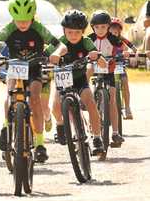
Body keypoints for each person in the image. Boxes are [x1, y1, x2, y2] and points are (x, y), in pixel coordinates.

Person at [0, 0, 67, 163]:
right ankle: (6, 126)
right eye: (19, 20)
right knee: (10, 92)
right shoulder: (9, 28)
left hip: (34, 66)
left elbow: (60, 44)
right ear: (13, 17)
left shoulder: (38, 28)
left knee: (36, 98)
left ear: (32, 16)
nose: (22, 24)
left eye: (26, 20)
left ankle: (39, 144)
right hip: (15, 66)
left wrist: (55, 54)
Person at [48, 10, 106, 155]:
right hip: (63, 79)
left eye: (77, 32)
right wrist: (50, 57)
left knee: (91, 103)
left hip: (80, 79)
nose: (73, 36)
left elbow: (103, 63)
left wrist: (97, 56)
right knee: (55, 107)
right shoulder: (60, 42)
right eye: (70, 32)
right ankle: (61, 125)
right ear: (64, 31)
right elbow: (46, 55)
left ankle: (97, 138)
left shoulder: (86, 42)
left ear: (83, 32)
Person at [87, 10, 125, 147]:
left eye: (103, 27)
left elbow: (123, 45)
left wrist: (127, 53)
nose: (100, 30)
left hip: (109, 70)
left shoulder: (113, 38)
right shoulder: (89, 38)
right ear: (93, 27)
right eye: (97, 27)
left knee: (113, 98)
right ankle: (83, 92)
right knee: (88, 69)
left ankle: (115, 132)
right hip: (94, 68)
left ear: (108, 27)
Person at [109, 17, 136, 120]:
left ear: (120, 31)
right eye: (112, 30)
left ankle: (127, 107)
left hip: (120, 65)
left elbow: (133, 49)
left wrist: (132, 54)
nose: (114, 33)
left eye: (116, 31)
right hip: (108, 66)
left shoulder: (122, 40)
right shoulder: (106, 39)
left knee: (124, 81)